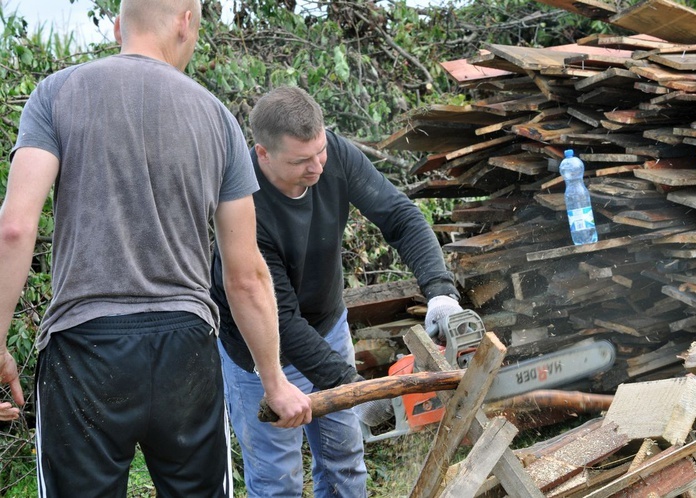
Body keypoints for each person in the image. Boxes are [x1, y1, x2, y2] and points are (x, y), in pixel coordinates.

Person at [0, 1, 312, 496]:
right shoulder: (217, 119)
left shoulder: (56, 93)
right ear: (186, 20)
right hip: (185, 350)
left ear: (120, 25)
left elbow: (15, 229)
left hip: (85, 349)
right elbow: (246, 274)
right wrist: (273, 379)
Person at [210, 85, 464, 497]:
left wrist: (439, 292)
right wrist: (353, 387)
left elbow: (400, 216)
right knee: (279, 481)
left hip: (328, 325)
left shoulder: (336, 157)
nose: (317, 168)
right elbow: (280, 320)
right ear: (263, 154)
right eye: (301, 160)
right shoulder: (242, 203)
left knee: (345, 463)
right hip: (262, 350)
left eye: (320, 151)